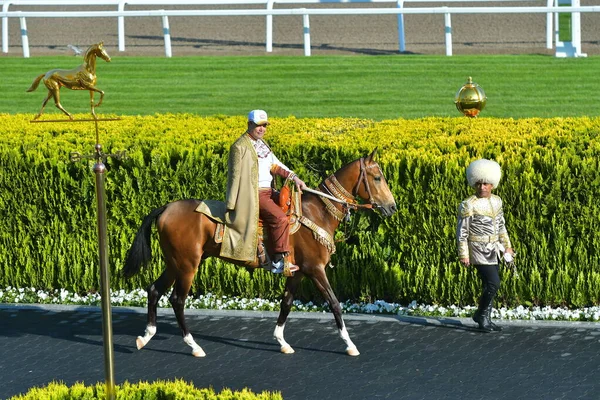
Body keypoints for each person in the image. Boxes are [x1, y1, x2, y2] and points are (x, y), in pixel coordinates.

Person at [220, 109, 307, 275]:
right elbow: (234, 176)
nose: (262, 129)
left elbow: (275, 165)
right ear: (249, 125)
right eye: (258, 125)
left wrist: (294, 178)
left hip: (269, 191)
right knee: (280, 219)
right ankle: (277, 261)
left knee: (294, 208)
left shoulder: (263, 144)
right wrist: (233, 203)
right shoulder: (239, 147)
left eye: (264, 125)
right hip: (254, 195)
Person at [456, 159, 515, 332]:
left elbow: (501, 226)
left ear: (492, 184)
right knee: (493, 283)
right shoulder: (468, 204)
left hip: (494, 250)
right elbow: (462, 231)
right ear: (474, 183)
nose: (482, 187)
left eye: (486, 184)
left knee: (489, 285)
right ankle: (481, 314)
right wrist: (463, 254)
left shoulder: (497, 201)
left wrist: (507, 247)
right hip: (478, 250)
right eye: (479, 183)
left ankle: (486, 319)